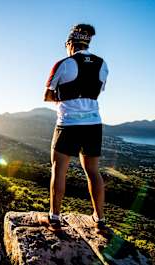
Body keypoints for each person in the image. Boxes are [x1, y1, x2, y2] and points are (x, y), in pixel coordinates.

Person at [41, 24, 110, 235]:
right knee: (93, 172)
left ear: (71, 43)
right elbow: (97, 91)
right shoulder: (103, 64)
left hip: (68, 124)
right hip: (93, 124)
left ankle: (54, 218)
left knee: (58, 169)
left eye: (66, 44)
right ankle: (99, 219)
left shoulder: (64, 64)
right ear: (87, 41)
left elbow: (47, 95)